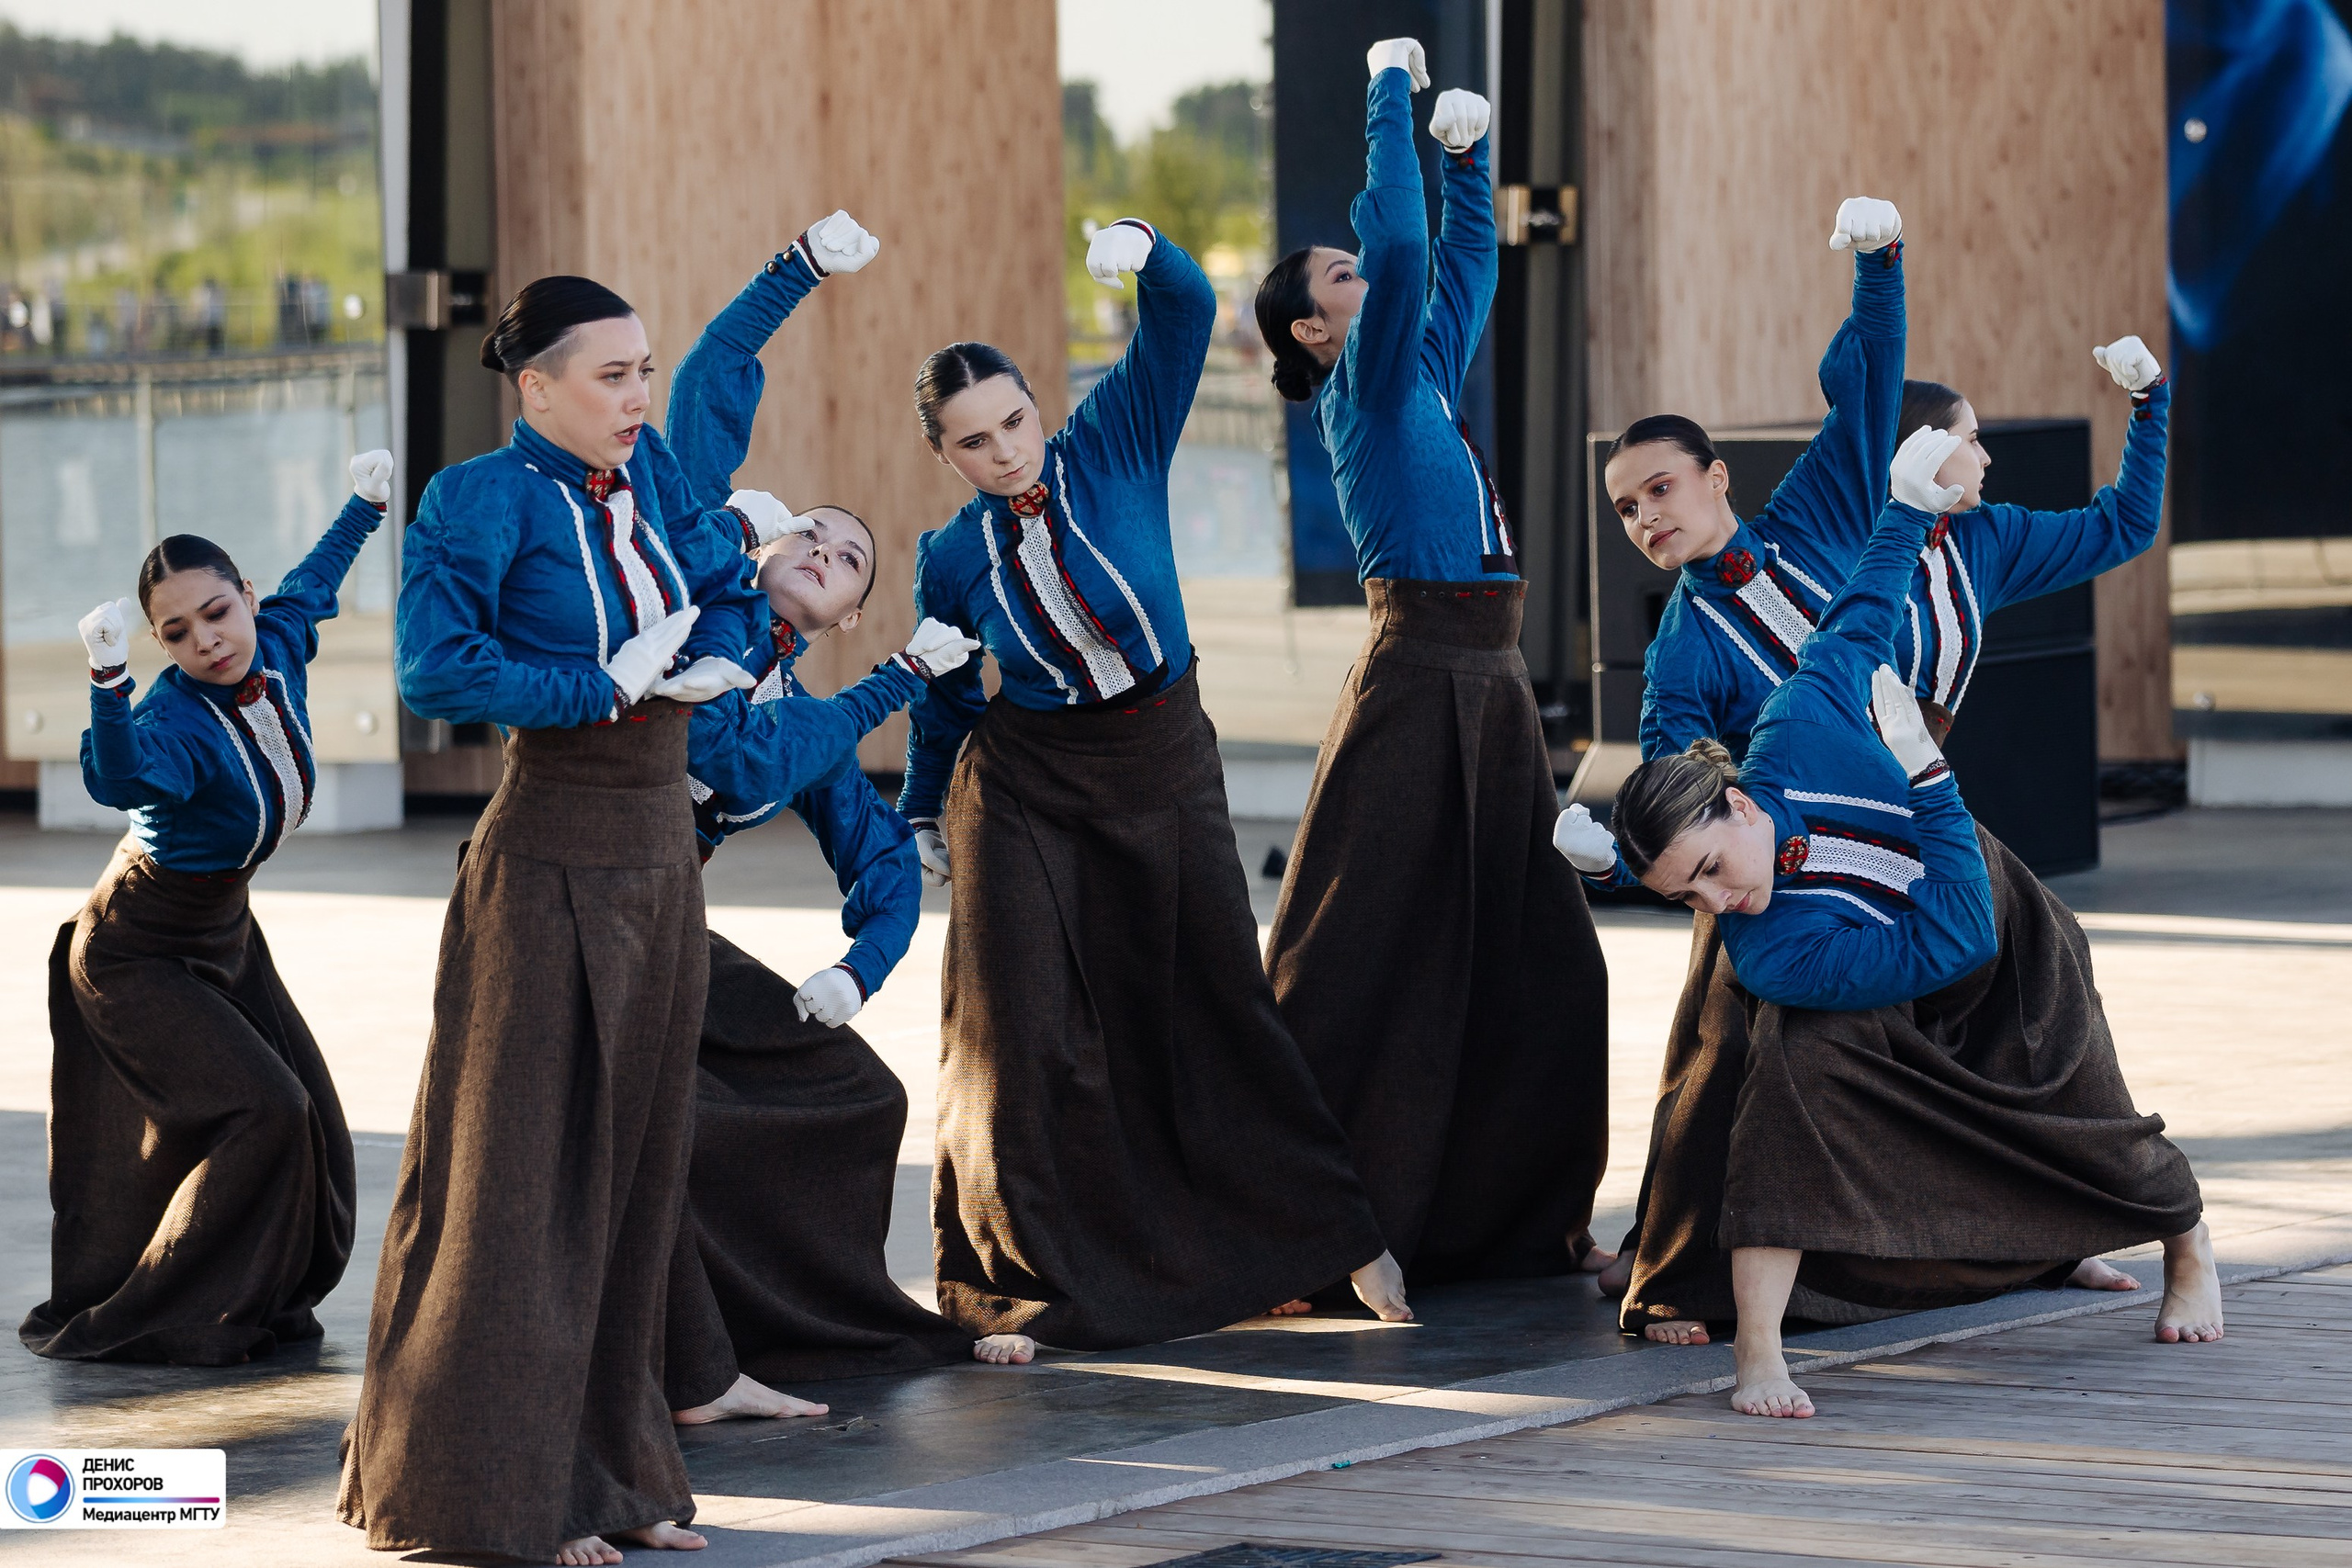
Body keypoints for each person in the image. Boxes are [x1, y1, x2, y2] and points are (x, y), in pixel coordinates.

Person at [1559, 328, 2176, 1339]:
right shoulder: (1829, 548)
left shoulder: (1990, 543)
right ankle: (1674, 1269)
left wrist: (2152, 406)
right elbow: (1680, 782)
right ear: (1921, 455)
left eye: (1655, 494)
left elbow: (2125, 525)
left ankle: (2044, 1234)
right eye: (1968, 437)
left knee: (2031, 983)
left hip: (1919, 811)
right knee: (1731, 1040)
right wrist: (1629, 864)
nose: (1985, 454)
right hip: (1773, 838)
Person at [900, 213, 1407, 1355]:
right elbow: (943, 694)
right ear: (944, 455)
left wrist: (1143, 246)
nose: (1006, 452)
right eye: (975, 442)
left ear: (1039, 405)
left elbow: (1183, 317)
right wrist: (923, 807)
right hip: (1026, 786)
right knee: (1017, 1029)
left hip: (1165, 754)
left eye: (1014, 421)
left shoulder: (1114, 438)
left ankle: (1328, 1233)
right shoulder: (946, 559)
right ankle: (1014, 1280)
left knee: (1218, 998)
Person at [339, 275, 766, 1568]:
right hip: (548, 857)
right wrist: (602, 682)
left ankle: (619, 1470)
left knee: (636, 1182)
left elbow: (729, 588)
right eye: (613, 375)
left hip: (658, 860)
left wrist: (721, 649)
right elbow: (433, 667)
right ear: (535, 387)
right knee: (519, 1189)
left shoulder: (660, 482)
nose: (640, 395)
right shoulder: (480, 495)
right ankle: (497, 1492)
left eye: (645, 370)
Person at [1248, 39, 1608, 1300]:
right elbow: (1401, 256)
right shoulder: (1366, 385)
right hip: (1417, 685)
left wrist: (1471, 157)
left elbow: (1459, 260)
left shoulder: (1422, 379)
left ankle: (1535, 1228)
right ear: (1314, 324)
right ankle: (1328, 1232)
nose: (1363, 272)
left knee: (1547, 966)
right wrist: (1388, 96)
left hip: (1492, 683)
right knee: (1351, 968)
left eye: (1352, 262)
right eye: (1336, 274)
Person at [646, 220, 1000, 1420]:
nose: (827, 549)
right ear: (765, 543)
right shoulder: (695, 591)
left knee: (853, 1089)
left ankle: (816, 1322)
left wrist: (860, 965)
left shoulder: (818, 705)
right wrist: (795, 268)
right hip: (580, 891)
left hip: (657, 918)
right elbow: (707, 385)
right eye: (814, 531)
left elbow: (885, 863)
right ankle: (694, 1366)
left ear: (846, 608)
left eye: (850, 557)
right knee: (658, 1118)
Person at [22, 457, 388, 1365]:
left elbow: (316, 575)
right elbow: (119, 777)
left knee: (310, 1120)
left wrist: (365, 503)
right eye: (175, 633)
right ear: (159, 645)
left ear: (247, 599)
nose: (208, 641)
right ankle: (184, 1311)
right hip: (134, 950)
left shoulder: (284, 636)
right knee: (264, 1106)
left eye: (219, 613)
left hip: (223, 933)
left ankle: (261, 1296)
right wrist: (108, 684)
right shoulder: (171, 720)